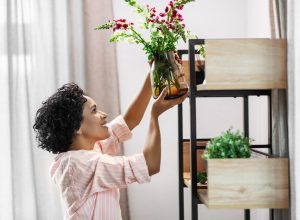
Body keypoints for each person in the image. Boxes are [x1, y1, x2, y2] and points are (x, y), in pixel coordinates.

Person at [33, 60, 188, 220]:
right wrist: (154, 115)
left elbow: (129, 121)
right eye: (94, 111)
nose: (104, 114)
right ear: (76, 127)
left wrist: (152, 75)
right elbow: (150, 165)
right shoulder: (79, 163)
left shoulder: (88, 150)